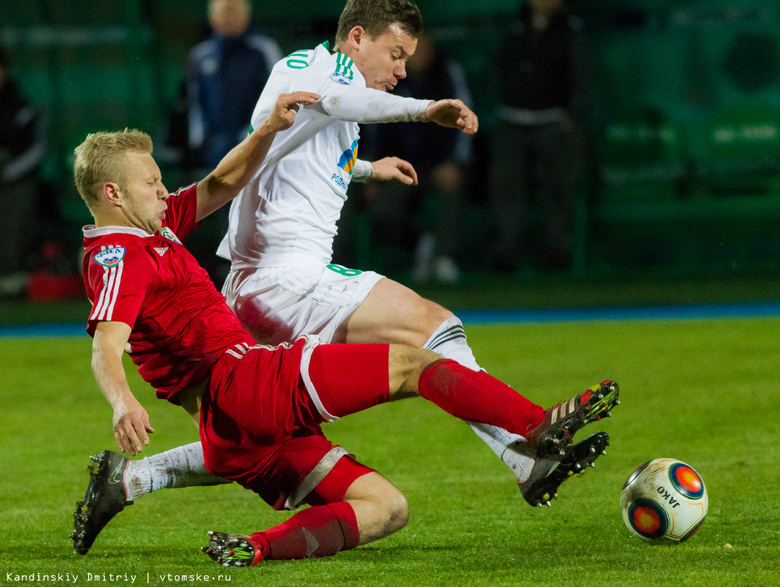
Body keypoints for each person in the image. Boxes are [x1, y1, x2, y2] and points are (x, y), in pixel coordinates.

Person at [72, 0, 617, 555]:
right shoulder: (309, 71)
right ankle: (526, 443)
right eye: (396, 54)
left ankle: (136, 481)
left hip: (245, 342)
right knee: (430, 335)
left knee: (318, 470)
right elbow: (334, 100)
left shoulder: (156, 229)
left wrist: (360, 167)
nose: (402, 69)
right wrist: (422, 109)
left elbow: (236, 175)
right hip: (276, 289)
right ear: (356, 38)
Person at [160, 0, 283, 282]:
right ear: (211, 16)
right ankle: (219, 285)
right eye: (222, 10)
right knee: (217, 224)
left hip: (259, 156)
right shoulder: (200, 56)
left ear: (246, 14)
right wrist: (200, 145)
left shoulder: (263, 51)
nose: (227, 16)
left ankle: (266, 281)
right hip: (214, 158)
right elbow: (194, 107)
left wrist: (252, 140)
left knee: (259, 221)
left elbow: (275, 99)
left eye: (233, 9)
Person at [360, 33, 473, 282]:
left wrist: (455, 162)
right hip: (399, 167)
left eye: (424, 47)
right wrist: (370, 170)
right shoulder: (390, 79)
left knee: (450, 190)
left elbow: (465, 119)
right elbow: (373, 127)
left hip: (439, 164)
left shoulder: (446, 72)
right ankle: (420, 247)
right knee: (383, 208)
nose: (420, 54)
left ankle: (444, 258)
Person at [489, 0, 583, 272]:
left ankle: (559, 252)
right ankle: (505, 253)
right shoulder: (512, 26)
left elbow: (581, 75)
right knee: (508, 189)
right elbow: (497, 66)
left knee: (558, 188)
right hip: (512, 118)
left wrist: (571, 116)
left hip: (553, 120)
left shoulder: (569, 29)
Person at [0, 46, 46, 295]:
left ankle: (11, 278)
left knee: (14, 214)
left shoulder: (19, 105)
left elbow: (36, 149)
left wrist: (8, 172)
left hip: (14, 181)